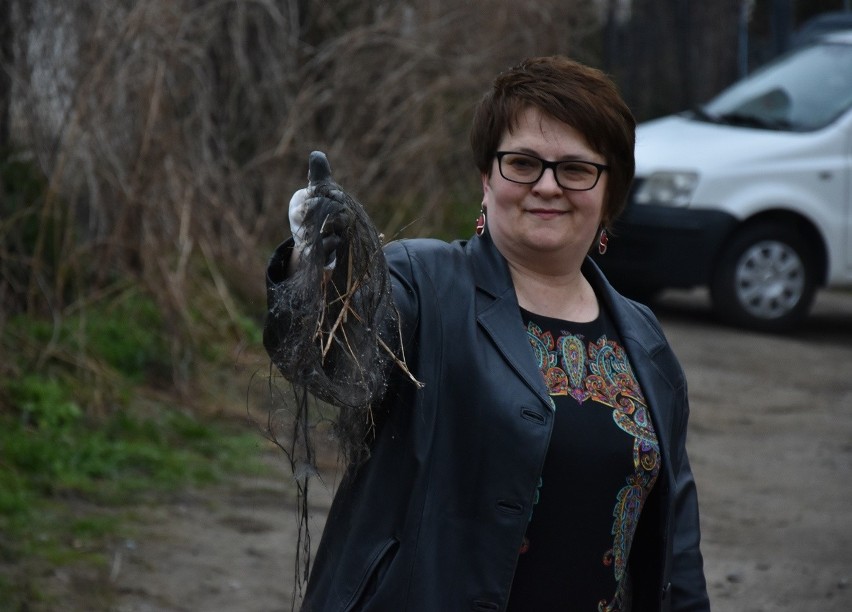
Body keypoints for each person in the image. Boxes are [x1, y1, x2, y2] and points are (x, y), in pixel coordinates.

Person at [264, 55, 710, 611]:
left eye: (575, 169)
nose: (548, 186)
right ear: (486, 177)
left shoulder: (645, 342)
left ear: (609, 189)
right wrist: (319, 274)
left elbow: (676, 546)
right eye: (522, 163)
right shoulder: (421, 282)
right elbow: (336, 357)